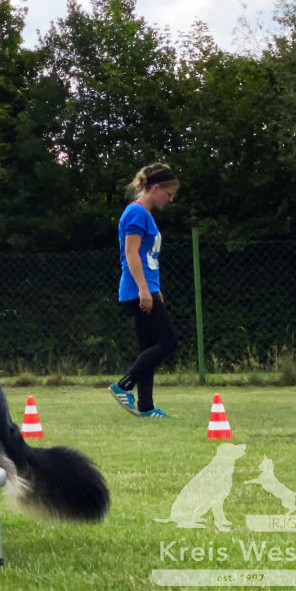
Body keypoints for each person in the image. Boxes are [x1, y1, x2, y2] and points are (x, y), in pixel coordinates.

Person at [108, 163, 181, 419]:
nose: (170, 200)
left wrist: (154, 289)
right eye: (169, 194)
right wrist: (143, 288)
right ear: (156, 187)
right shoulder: (137, 213)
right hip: (136, 290)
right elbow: (131, 253)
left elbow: (147, 257)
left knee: (148, 346)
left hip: (145, 289)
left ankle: (146, 407)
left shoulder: (144, 215)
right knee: (168, 343)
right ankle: (123, 385)